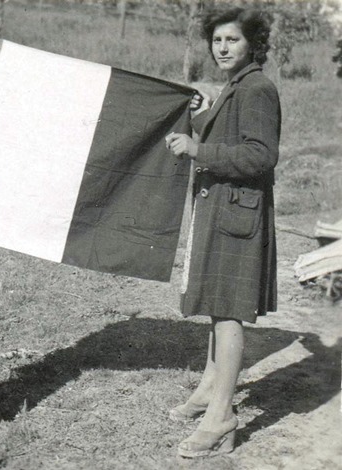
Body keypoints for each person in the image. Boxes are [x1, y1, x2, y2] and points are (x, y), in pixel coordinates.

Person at [165, 7, 281, 459]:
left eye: (232, 40)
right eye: (217, 41)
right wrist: (203, 117)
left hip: (239, 217)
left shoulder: (258, 89)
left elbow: (260, 155)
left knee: (228, 313)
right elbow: (230, 139)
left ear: (252, 44)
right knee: (216, 307)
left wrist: (198, 149)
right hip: (227, 211)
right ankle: (207, 393)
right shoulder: (236, 87)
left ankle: (222, 418)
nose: (223, 48)